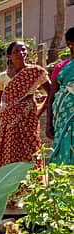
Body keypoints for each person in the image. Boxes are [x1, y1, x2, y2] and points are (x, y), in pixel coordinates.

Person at [0, 41, 51, 170]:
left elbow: (51, 93)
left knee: (30, 148)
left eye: (24, 50)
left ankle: (30, 185)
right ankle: (10, 186)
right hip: (7, 122)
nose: (21, 53)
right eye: (16, 51)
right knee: (9, 150)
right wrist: (5, 115)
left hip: (28, 117)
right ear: (9, 56)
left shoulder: (35, 72)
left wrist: (39, 112)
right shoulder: (2, 77)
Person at [47, 27, 74, 165]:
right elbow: (51, 96)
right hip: (63, 116)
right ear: (70, 44)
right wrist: (48, 124)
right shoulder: (62, 67)